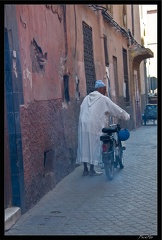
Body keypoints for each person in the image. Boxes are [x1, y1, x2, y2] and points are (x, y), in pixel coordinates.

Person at [76, 80, 130, 176]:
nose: (105, 91)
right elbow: (116, 109)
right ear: (99, 89)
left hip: (83, 124)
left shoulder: (86, 98)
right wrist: (126, 116)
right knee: (93, 145)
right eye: (104, 89)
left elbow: (81, 109)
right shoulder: (103, 99)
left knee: (84, 145)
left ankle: (85, 170)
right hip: (95, 125)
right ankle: (92, 170)